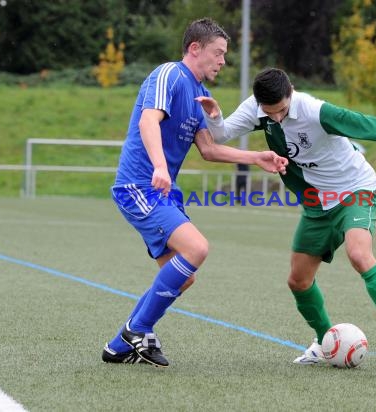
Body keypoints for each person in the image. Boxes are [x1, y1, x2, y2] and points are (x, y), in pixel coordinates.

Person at [197, 68, 376, 369]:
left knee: (359, 254)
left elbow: (372, 126)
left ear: (291, 91)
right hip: (317, 202)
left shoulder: (315, 111)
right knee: (298, 280)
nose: (277, 118)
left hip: (355, 190)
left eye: (282, 110)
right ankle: (324, 341)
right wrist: (215, 116)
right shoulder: (256, 107)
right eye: (271, 114)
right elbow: (221, 135)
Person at [102, 20, 288, 368]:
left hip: (161, 192)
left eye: (225, 56)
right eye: (218, 53)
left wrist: (256, 157)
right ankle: (137, 329)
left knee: (183, 276)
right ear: (194, 49)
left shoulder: (196, 94)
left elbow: (208, 149)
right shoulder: (170, 75)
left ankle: (119, 345)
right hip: (139, 185)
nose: (222, 62)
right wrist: (159, 165)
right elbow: (147, 122)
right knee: (197, 248)